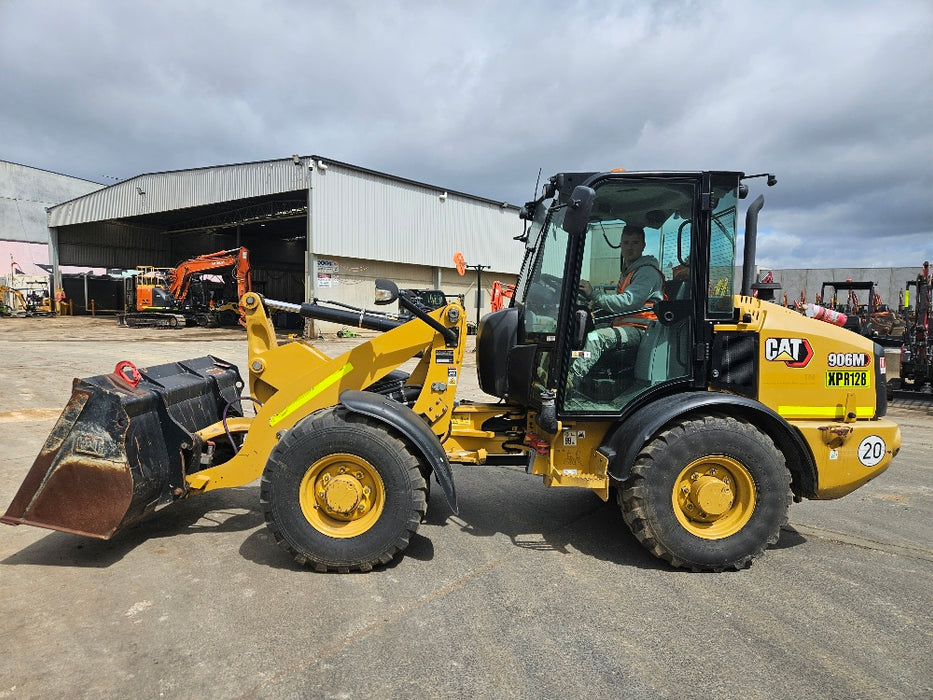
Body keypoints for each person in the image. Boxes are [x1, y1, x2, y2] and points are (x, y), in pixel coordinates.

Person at [569, 224, 664, 394]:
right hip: (627, 326)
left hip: (643, 330)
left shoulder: (647, 272)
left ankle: (570, 381)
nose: (630, 247)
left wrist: (594, 294)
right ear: (620, 245)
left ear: (643, 245)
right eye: (626, 243)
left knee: (596, 337)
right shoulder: (630, 271)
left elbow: (627, 302)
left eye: (635, 243)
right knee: (584, 332)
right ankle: (573, 369)